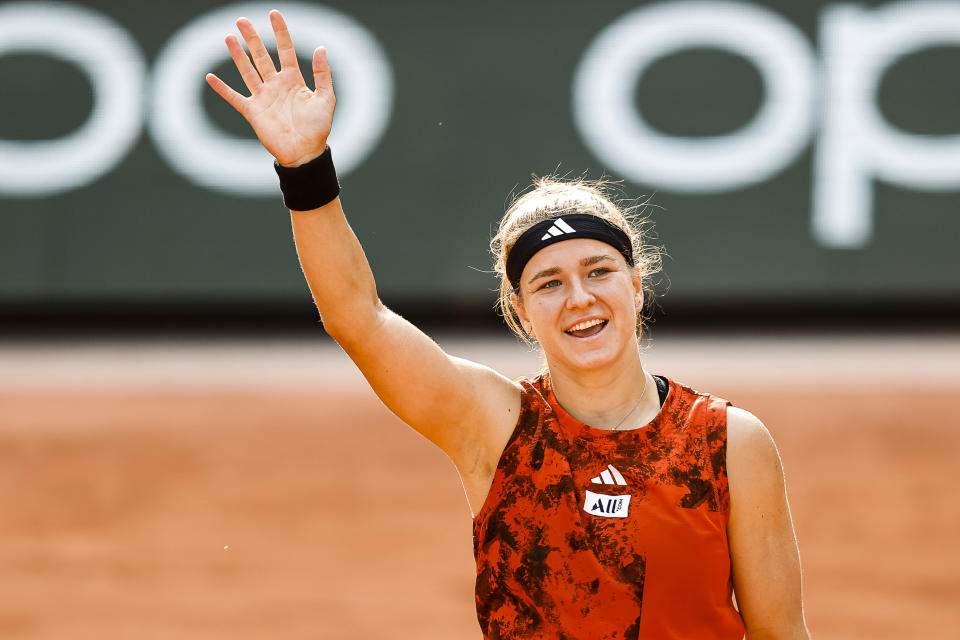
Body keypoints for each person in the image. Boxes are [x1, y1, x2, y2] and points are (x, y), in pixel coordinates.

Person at [206, 11, 810, 639]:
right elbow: (358, 319)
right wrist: (306, 169)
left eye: (598, 271)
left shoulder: (728, 443)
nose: (579, 297)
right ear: (520, 310)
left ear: (635, 285)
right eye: (548, 283)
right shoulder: (495, 426)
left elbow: (782, 637)